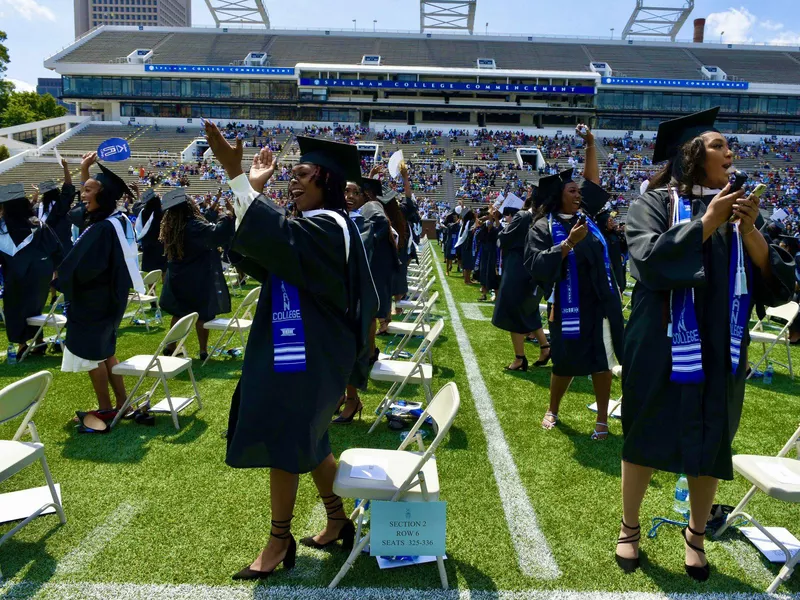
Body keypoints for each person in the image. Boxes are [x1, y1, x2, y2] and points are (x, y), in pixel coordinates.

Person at [617, 107, 795, 579]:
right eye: (718, 145)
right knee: (644, 432)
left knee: (713, 438)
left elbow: (779, 284)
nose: (730, 152)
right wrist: (707, 223)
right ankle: (629, 528)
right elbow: (649, 261)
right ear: (691, 155)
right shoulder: (652, 204)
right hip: (660, 340)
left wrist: (749, 230)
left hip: (721, 344)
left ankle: (695, 535)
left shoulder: (739, 213)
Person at [203, 123, 377, 580]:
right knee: (311, 438)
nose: (292, 182)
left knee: (285, 437)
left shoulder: (328, 225)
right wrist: (248, 189)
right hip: (309, 348)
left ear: (327, 180)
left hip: (310, 353)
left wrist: (239, 178)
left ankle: (279, 539)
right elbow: (266, 255)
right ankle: (338, 517)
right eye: (291, 175)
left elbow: (278, 241)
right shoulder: (321, 226)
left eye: (301, 174)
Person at [525, 156, 624, 439]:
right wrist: (567, 245)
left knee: (602, 362)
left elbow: (591, 182)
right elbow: (535, 264)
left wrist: (591, 145)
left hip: (599, 305)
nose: (578, 194)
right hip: (566, 307)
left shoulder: (587, 219)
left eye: (578, 191)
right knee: (564, 362)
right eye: (572, 191)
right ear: (559, 196)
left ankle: (602, 420)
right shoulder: (543, 227)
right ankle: (553, 409)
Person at [56, 152, 145, 433]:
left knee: (92, 355)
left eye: (88, 190)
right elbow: (88, 207)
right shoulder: (117, 221)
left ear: (102, 195)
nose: (83, 194)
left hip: (93, 302)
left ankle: (105, 409)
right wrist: (84, 170)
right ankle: (123, 401)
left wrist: (61, 277)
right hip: (110, 299)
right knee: (106, 352)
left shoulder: (102, 229)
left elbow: (85, 267)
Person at [158, 187, 234, 361]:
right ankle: (203, 350)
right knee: (202, 314)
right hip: (197, 276)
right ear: (188, 207)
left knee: (178, 313)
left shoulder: (171, 226)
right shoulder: (194, 226)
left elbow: (205, 225)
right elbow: (215, 234)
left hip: (177, 276)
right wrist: (228, 216)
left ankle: (171, 347)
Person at [0, 184, 63, 357]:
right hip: (40, 274)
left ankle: (22, 345)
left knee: (15, 309)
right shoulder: (38, 225)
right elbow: (56, 248)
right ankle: (38, 341)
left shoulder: (2, 228)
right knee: (35, 307)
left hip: (14, 274)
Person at [492, 189, 550, 371]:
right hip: (536, 271)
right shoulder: (546, 221)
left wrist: (500, 226)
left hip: (518, 269)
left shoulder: (523, 216)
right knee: (529, 311)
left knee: (513, 313)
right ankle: (545, 347)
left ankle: (520, 358)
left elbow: (503, 239)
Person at [36, 158, 77, 255]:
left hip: (43, 249)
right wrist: (65, 168)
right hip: (62, 245)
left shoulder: (37, 208)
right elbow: (68, 186)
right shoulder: (61, 203)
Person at [132, 188, 167, 274]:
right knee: (164, 269)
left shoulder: (143, 212)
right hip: (161, 244)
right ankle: (164, 284)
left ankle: (152, 287)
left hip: (148, 246)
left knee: (150, 270)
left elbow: (136, 206)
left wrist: (137, 192)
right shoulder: (163, 213)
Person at [475, 206, 500, 302]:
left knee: (493, 274)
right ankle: (484, 294)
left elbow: (497, 227)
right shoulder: (483, 230)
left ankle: (497, 296)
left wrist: (492, 215)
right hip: (484, 253)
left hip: (493, 254)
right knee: (483, 272)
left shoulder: (495, 230)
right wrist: (480, 217)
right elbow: (478, 223)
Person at [455, 208, 477, 285]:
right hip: (468, 245)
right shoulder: (471, 222)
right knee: (468, 263)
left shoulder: (466, 222)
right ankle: (467, 280)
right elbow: (472, 233)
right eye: (474, 213)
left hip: (465, 244)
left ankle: (467, 279)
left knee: (467, 263)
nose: (475, 213)